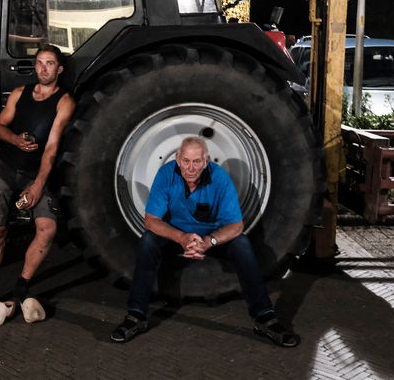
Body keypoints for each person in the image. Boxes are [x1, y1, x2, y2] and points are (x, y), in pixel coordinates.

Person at [111, 136, 300, 347]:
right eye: (186, 161)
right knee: (148, 241)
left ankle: (264, 317)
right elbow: (151, 220)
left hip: (211, 239)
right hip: (177, 237)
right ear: (177, 158)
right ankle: (136, 315)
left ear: (207, 161)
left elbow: (236, 226)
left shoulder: (219, 178)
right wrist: (181, 238)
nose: (191, 168)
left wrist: (209, 241)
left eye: (197, 162)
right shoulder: (166, 174)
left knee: (242, 244)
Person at [0, 44, 75, 324]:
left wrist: (38, 185)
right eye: (39, 63)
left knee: (47, 227)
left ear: (59, 69)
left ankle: (21, 287)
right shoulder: (20, 94)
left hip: (35, 173)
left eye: (49, 63)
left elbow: (51, 148)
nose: (43, 68)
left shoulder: (64, 102)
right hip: (5, 168)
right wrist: (15, 139)